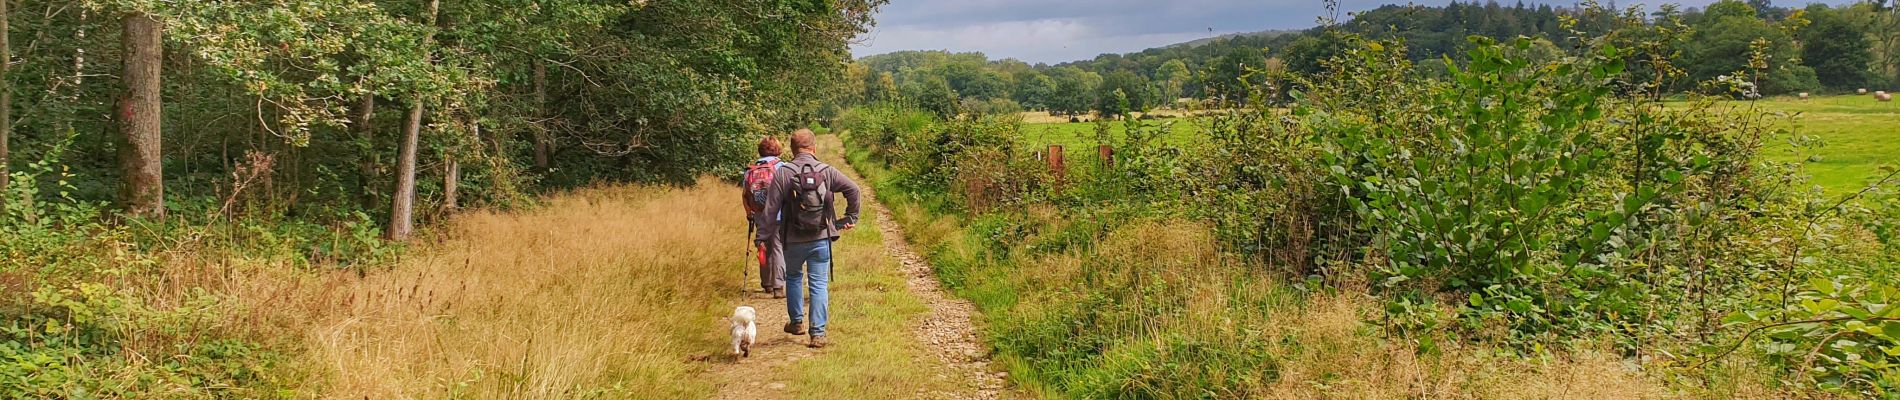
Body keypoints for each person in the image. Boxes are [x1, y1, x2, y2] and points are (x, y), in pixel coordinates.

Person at [757, 129, 861, 349]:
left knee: (793, 277)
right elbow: (853, 189)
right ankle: (818, 334)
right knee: (819, 283)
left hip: (792, 240)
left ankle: (796, 323)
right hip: (820, 237)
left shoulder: (784, 173)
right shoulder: (827, 171)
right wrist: (850, 217)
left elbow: (770, 209)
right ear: (814, 148)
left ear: (793, 150)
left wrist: (762, 237)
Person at [741, 136, 788, 299]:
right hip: (778, 214)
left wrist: (749, 213)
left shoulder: (750, 170)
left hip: (759, 214)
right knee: (777, 247)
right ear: (778, 150)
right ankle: (778, 286)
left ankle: (766, 282)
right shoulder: (781, 167)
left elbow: (745, 195)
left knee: (763, 246)